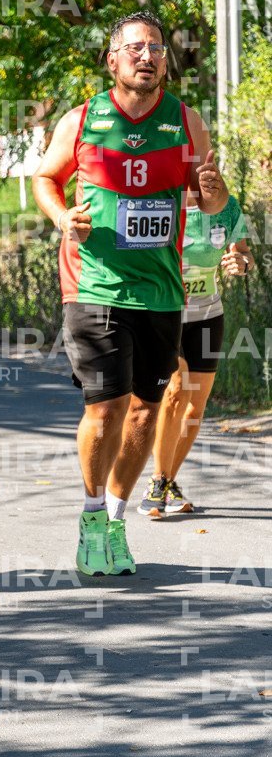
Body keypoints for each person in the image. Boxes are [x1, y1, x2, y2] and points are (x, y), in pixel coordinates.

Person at [33, 11, 229, 577]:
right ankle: (92, 516)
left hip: (162, 292)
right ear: (112, 59)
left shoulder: (187, 123)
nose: (148, 56)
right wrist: (61, 215)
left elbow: (210, 203)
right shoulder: (84, 118)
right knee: (107, 404)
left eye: (157, 49)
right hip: (93, 282)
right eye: (136, 48)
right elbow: (46, 177)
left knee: (145, 412)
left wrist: (214, 195)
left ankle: (116, 519)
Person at [139, 193, 252, 517]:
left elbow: (242, 253)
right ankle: (158, 481)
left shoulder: (225, 206)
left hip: (207, 316)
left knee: (195, 406)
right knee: (176, 390)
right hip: (166, 312)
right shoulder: (160, 199)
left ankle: (167, 481)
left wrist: (240, 263)